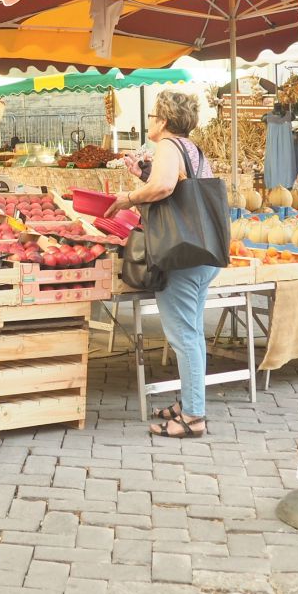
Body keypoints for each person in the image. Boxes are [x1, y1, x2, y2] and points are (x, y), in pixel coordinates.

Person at [103, 91, 215, 439]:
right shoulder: (191, 150)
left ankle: (193, 417)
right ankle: (191, 403)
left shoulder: (167, 146)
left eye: (152, 115)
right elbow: (178, 190)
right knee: (192, 333)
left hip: (182, 256)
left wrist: (129, 197)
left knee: (184, 336)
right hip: (202, 253)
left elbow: (165, 187)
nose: (149, 121)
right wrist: (145, 175)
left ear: (164, 120)